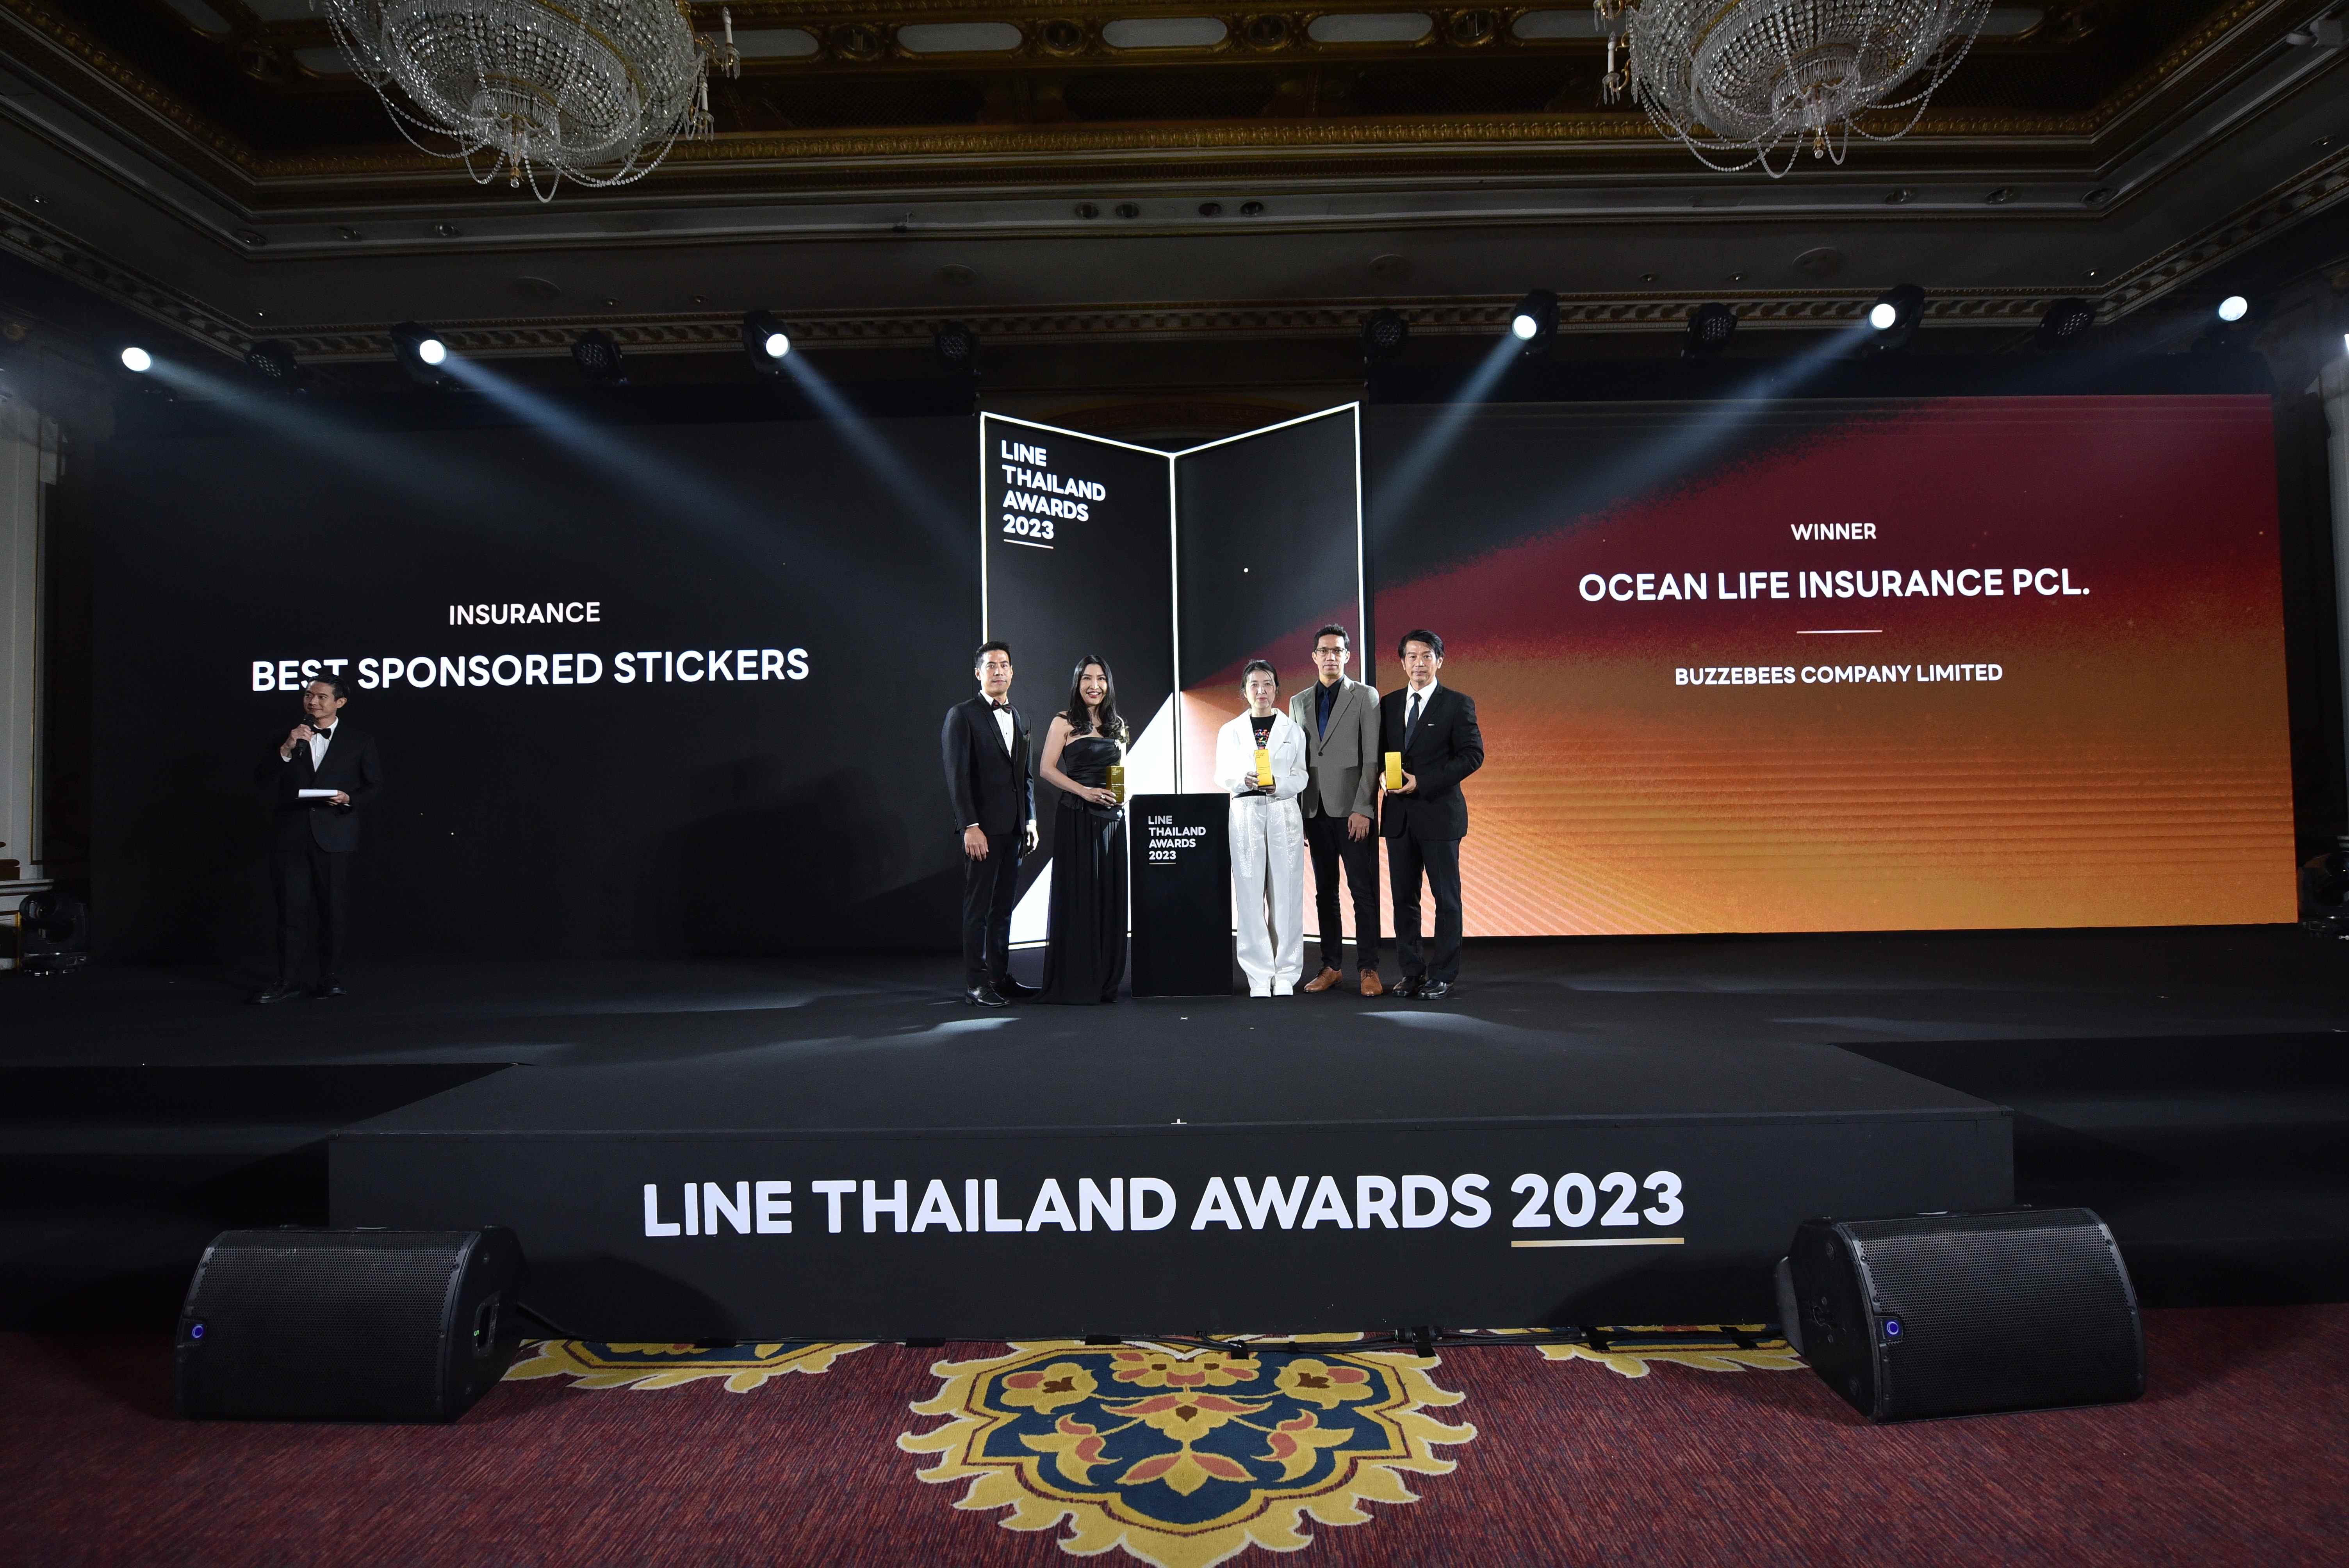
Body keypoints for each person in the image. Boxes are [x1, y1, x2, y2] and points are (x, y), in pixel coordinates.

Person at [251, 672, 382, 1003]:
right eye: (309, 695)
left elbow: (374, 787)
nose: (313, 702)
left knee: (333, 911)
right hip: (291, 836)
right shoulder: (285, 737)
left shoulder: (360, 740)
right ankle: (286, 980)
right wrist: (286, 749)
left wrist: (348, 798)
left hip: (335, 835)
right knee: (290, 911)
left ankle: (330, 978)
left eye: (322, 697)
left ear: (340, 703)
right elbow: (262, 782)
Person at [1378, 629, 1482, 1000]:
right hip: (1399, 818)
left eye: (1426, 656)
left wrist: (1423, 782)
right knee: (1404, 901)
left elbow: (1473, 755)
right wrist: (1381, 774)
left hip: (1440, 815)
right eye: (1412, 656)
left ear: (1440, 660)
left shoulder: (1457, 704)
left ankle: (1443, 974)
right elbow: (1381, 752)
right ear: (1402, 662)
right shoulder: (1389, 704)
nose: (1419, 663)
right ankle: (1411, 971)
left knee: (1446, 900)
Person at [941, 641, 1038, 1007]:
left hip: (1015, 829)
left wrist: (1030, 820)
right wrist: (970, 826)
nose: (999, 671)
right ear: (978, 673)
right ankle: (976, 985)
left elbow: (1025, 776)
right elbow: (958, 776)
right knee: (978, 909)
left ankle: (1000, 977)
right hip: (981, 830)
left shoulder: (1020, 716)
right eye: (991, 666)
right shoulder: (962, 715)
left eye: (1004, 665)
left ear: (1012, 672)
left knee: (1003, 909)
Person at [1288, 623, 1383, 997]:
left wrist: (1364, 808)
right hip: (1314, 810)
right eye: (1324, 651)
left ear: (1347, 656)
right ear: (1314, 657)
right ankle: (1332, 967)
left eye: (1337, 650)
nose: (1331, 657)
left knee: (1363, 892)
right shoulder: (1298, 702)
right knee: (1325, 893)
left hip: (1352, 811)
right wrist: (1297, 814)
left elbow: (1372, 758)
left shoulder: (1365, 696)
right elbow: (1294, 761)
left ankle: (1369, 968)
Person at [1035, 656, 1129, 1004]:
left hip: (1111, 822)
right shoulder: (1063, 721)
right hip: (1077, 818)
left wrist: (1120, 796)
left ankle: (1105, 978)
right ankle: (1077, 978)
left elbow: (1118, 771)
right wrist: (1085, 792)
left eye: (1101, 679)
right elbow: (1046, 769)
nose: (1094, 685)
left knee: (1108, 898)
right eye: (1087, 679)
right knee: (1080, 898)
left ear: (1108, 684)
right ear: (1077, 684)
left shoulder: (1117, 724)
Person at [1215, 659, 1308, 997]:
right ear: (1244, 691)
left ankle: (1285, 973)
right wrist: (1243, 780)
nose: (1261, 691)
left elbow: (1301, 776)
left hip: (1283, 811)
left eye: (1267, 684)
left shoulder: (1293, 731)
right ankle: (1258, 974)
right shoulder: (1230, 731)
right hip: (1245, 812)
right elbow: (1221, 774)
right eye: (1254, 685)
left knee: (1287, 894)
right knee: (1250, 894)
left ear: (1276, 689)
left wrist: (1279, 784)